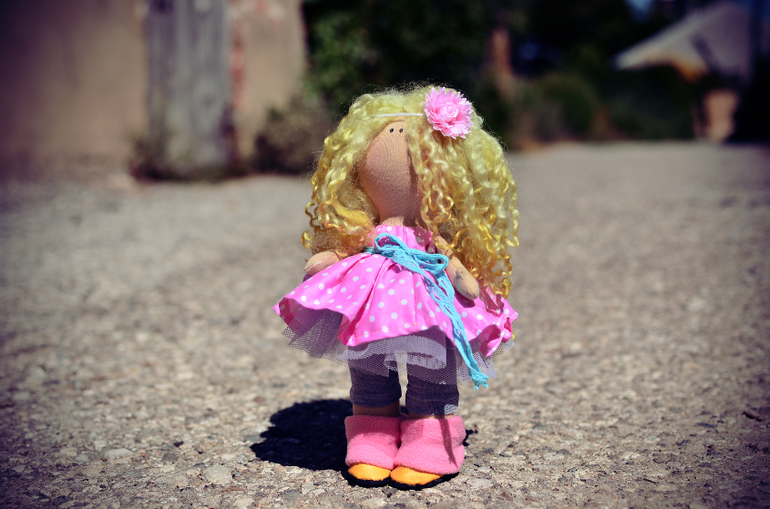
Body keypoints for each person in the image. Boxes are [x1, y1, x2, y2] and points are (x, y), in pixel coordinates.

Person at [274, 85, 518, 489]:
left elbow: (461, 277)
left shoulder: (434, 242)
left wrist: (464, 280)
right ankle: (372, 436)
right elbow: (340, 253)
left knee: (432, 368)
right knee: (368, 366)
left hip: (429, 301)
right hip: (372, 302)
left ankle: (431, 441)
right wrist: (327, 260)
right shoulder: (369, 234)